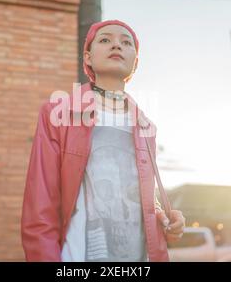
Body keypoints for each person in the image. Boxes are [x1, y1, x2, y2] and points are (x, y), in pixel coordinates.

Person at [21, 19, 185, 262]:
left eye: (126, 42)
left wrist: (162, 215)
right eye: (106, 40)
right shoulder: (59, 113)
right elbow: (39, 211)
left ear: (135, 63)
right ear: (88, 58)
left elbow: (139, 195)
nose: (116, 45)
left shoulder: (146, 126)